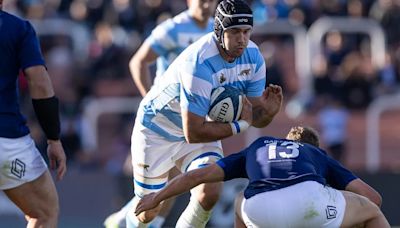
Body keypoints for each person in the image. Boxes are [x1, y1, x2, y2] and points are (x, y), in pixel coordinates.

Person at [126, 0, 283, 227]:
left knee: (209, 192)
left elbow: (253, 117)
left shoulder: (254, 57)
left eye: (247, 31)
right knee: (148, 212)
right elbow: (194, 133)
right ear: (219, 31)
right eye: (235, 32)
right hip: (157, 129)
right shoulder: (199, 62)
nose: (242, 39)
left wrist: (269, 113)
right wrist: (241, 126)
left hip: (198, 126)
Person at [135, 126, 390, 228]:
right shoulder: (316, 154)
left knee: (238, 202)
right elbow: (373, 197)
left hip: (260, 211)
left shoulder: (256, 148)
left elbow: (198, 176)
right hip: (310, 204)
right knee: (370, 212)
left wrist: (156, 197)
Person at [104, 0, 217, 227]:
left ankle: (123, 219)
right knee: (168, 184)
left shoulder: (217, 30)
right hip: (165, 118)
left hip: (194, 116)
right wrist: (150, 97)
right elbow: (139, 61)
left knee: (176, 184)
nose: (207, 3)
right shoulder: (173, 28)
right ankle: (127, 218)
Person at [0, 3, 67, 228]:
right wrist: (53, 137)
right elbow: (39, 82)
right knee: (44, 213)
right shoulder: (17, 28)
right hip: (6, 140)